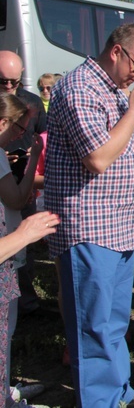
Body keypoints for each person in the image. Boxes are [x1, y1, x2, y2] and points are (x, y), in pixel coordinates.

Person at [45, 23, 134, 408]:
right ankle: (99, 401)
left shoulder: (113, 89)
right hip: (89, 226)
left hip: (118, 225)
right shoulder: (80, 88)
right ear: (116, 52)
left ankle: (118, 391)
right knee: (92, 324)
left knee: (113, 321)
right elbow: (98, 158)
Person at [0, 92, 58, 407]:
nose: (20, 137)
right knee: (3, 336)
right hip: (5, 255)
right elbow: (17, 199)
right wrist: (34, 156)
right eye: (19, 129)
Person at [0, 51, 47, 317]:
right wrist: (34, 162)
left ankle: (27, 303)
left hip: (18, 184)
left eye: (13, 82)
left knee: (22, 259)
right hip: (14, 192)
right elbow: (15, 200)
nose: (8, 87)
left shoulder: (31, 102)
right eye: (18, 130)